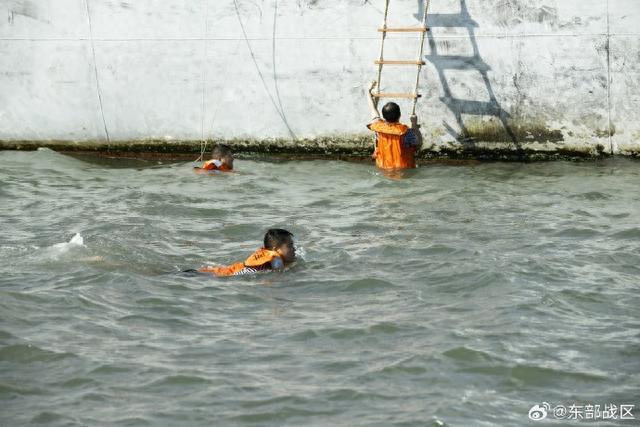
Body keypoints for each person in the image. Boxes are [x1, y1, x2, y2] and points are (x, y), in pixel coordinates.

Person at [366, 81, 422, 170]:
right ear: (400, 115)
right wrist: (414, 125)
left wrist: (368, 91)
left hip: (383, 167)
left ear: (383, 117)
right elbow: (418, 144)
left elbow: (372, 110)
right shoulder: (406, 132)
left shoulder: (378, 127)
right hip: (403, 169)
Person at [198, 229, 295, 276]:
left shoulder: (270, 257)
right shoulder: (275, 259)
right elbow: (278, 275)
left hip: (228, 270)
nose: (294, 249)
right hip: (219, 275)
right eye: (290, 245)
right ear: (275, 250)